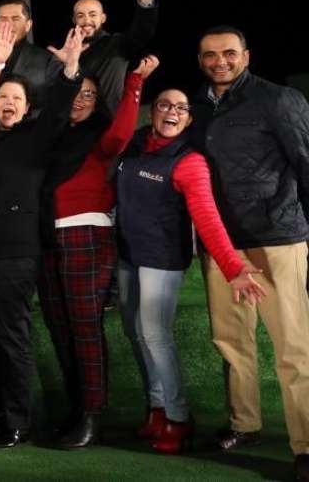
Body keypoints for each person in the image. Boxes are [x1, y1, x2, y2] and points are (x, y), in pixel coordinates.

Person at [116, 84, 266, 454]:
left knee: (155, 335)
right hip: (126, 254)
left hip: (162, 259)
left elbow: (208, 219)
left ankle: (178, 418)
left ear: (188, 118)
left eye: (181, 108)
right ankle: (156, 408)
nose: (172, 112)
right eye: (164, 105)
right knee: (134, 331)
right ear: (152, 112)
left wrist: (233, 267)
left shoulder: (189, 161)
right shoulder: (135, 144)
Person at [189, 26, 309, 479]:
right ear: (200, 59)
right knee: (232, 342)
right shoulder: (197, 108)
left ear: (246, 55)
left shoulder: (278, 99)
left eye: (228, 53)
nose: (220, 61)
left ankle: (306, 443)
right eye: (210, 55)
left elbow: (306, 161)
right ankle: (246, 423)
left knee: (294, 347)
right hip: (222, 245)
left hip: (277, 238)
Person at [0, 22, 83, 448]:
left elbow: (57, 111)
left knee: (12, 335)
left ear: (26, 107)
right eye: (3, 98)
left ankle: (18, 420)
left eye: (16, 98)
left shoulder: (33, 139)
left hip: (15, 254)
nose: (8, 103)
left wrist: (70, 71)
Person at [38, 56, 158, 449]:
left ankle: (93, 415)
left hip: (86, 236)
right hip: (47, 239)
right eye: (76, 91)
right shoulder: (49, 135)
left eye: (89, 94)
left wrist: (134, 83)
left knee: (84, 327)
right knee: (60, 327)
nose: (80, 99)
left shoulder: (99, 136)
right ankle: (77, 410)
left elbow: (123, 134)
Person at [72, 0, 162, 113]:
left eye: (93, 15)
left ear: (103, 18)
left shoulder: (116, 44)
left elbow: (142, 33)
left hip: (107, 125)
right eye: (80, 15)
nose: (87, 21)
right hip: (70, 126)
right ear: (74, 21)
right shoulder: (65, 50)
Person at [0, 0, 61, 116]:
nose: (9, 24)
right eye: (3, 19)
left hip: (31, 130)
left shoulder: (46, 59)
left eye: (15, 19)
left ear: (28, 25)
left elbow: (58, 105)